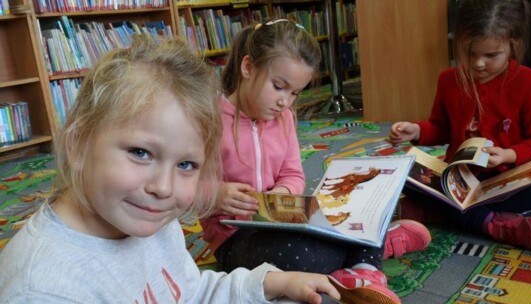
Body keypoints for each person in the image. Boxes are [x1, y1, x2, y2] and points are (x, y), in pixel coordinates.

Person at [0, 35, 342, 303]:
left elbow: (186, 292)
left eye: (186, 164)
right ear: (77, 144)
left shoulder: (152, 218)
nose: (164, 187)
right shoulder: (43, 289)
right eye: (140, 153)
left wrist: (270, 282)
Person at [200, 19, 431, 304]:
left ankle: (364, 269)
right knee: (290, 257)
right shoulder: (210, 121)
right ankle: (371, 253)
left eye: (295, 92)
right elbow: (183, 187)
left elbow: (293, 174)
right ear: (248, 68)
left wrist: (283, 194)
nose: (285, 102)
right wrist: (216, 195)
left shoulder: (284, 118)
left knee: (359, 209)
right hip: (236, 240)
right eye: (278, 86)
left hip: (285, 222)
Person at [388, 0, 531, 251]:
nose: (479, 64)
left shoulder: (530, 83)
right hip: (459, 179)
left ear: (513, 45)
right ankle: (493, 222)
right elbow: (441, 126)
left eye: (491, 55)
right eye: (471, 53)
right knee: (404, 178)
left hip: (505, 180)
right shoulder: (449, 80)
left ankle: (439, 213)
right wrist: (416, 131)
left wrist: (509, 154)